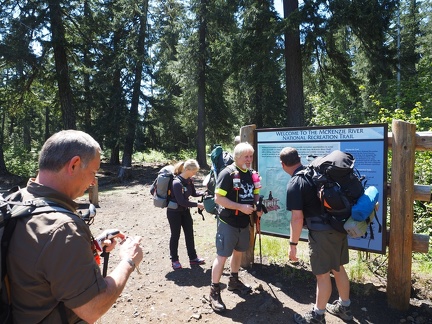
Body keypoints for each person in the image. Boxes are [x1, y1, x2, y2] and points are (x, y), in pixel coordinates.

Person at [6, 130, 144, 323]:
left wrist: (92, 245)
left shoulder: (17, 200)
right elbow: (93, 307)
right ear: (74, 164)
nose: (93, 182)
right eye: (93, 173)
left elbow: (38, 258)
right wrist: (128, 261)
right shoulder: (62, 228)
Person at [280, 147, 353, 324]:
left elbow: (297, 219)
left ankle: (317, 316)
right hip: (338, 226)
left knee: (322, 275)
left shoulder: (296, 182)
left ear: (283, 165)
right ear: (298, 159)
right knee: (338, 268)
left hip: (321, 233)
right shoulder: (315, 172)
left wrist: (293, 245)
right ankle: (344, 307)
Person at [209, 142, 263, 312]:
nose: (249, 159)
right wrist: (240, 207)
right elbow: (218, 199)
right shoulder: (227, 174)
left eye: (251, 156)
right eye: (246, 156)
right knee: (222, 256)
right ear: (237, 157)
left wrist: (257, 207)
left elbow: (254, 195)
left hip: (244, 222)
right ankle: (214, 291)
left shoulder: (252, 175)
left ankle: (233, 281)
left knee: (239, 252)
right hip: (228, 222)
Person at [168, 159, 205, 270]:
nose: (195, 173)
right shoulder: (176, 183)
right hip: (174, 213)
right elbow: (181, 201)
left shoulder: (189, 181)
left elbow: (193, 193)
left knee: (189, 234)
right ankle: (174, 260)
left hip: (185, 211)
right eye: (194, 171)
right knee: (175, 236)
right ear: (187, 169)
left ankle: (193, 258)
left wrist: (205, 192)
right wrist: (197, 205)